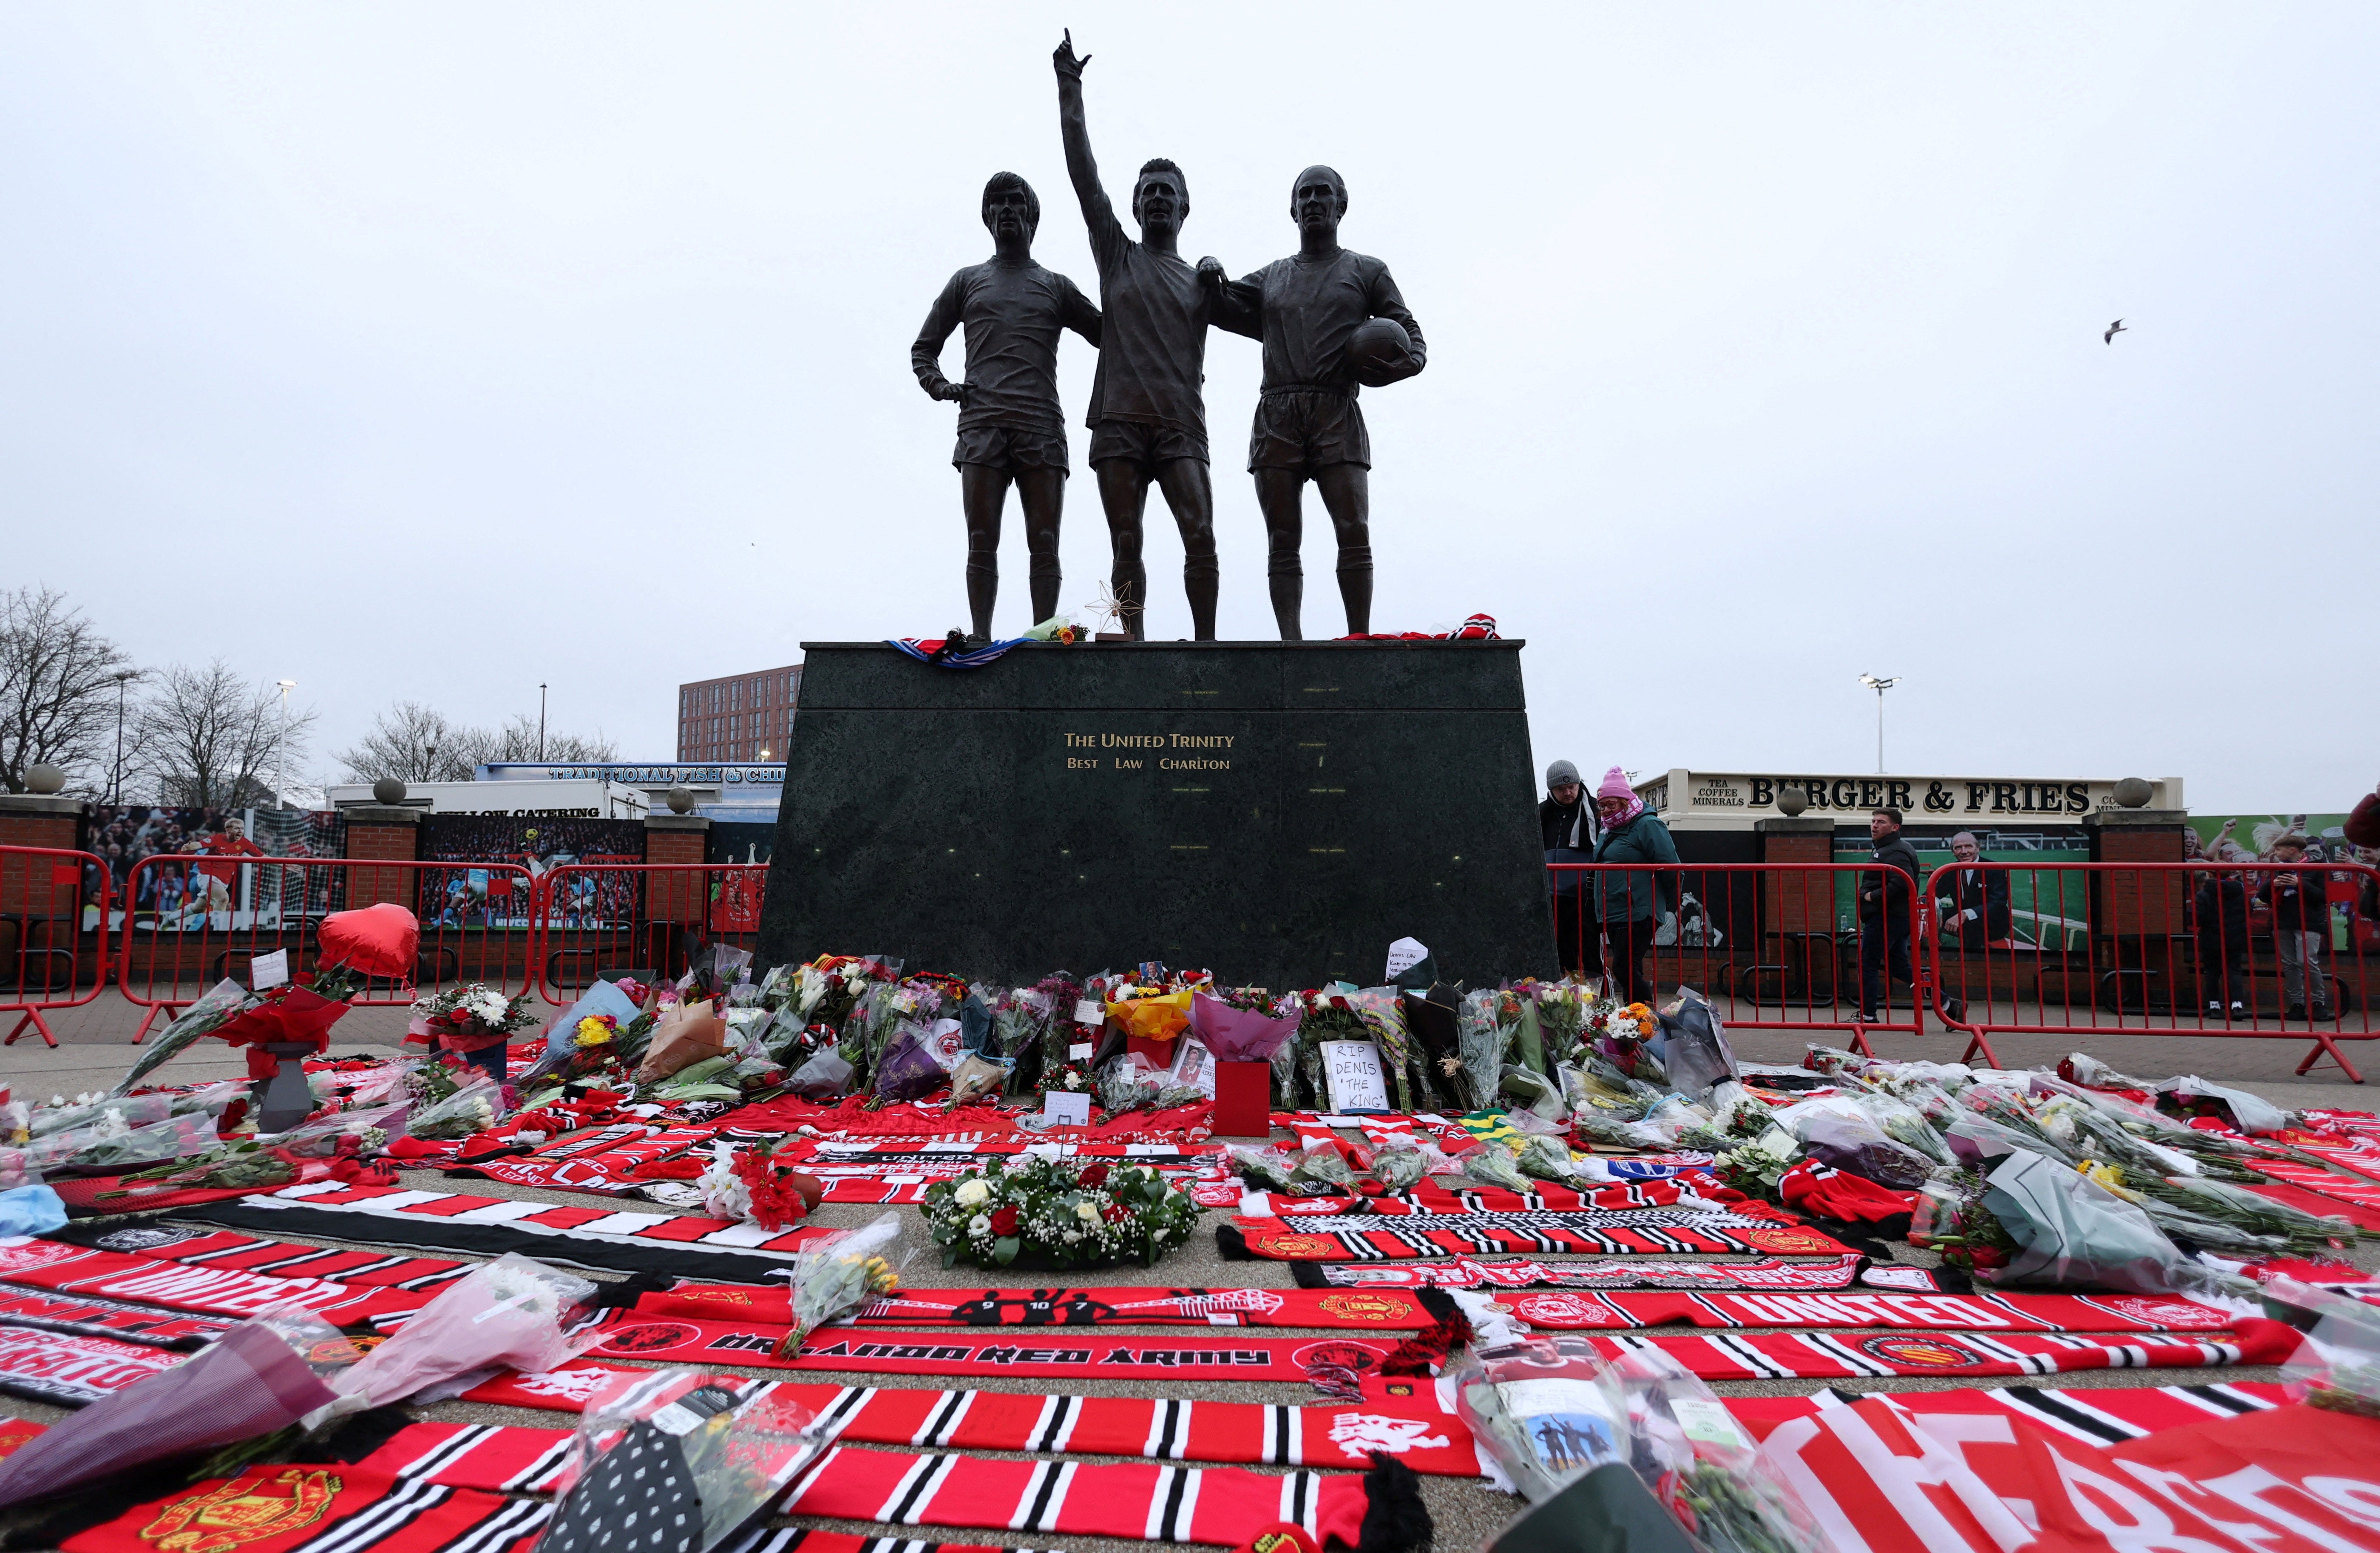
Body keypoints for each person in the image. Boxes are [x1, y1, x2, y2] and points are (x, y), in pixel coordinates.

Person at [1204, 165, 1425, 640]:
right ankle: (1290, 641)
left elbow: (1413, 338)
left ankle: (1358, 635)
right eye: (1303, 195)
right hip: (1277, 413)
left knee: (1353, 528)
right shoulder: (1273, 276)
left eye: (1322, 193)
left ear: (1341, 205)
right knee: (1282, 539)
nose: (1312, 201)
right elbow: (1222, 307)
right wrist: (1209, 273)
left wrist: (1402, 366)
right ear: (1292, 209)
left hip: (1335, 409)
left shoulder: (1367, 270)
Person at [1052, 33, 1220, 640]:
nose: (1156, 199)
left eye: (1166, 193)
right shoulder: (1116, 255)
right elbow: (1082, 175)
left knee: (1199, 533)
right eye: (1147, 191)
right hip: (1119, 419)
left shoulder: (1205, 282)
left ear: (1184, 209)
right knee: (1126, 540)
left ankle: (1205, 644)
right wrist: (1069, 89)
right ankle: (1132, 640)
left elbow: (1273, 316)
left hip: (1179, 422)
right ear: (1133, 205)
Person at [912, 174, 1103, 640]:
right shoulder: (967, 282)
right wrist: (939, 385)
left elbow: (1111, 336)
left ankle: (1043, 632)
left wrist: (1167, 357)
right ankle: (980, 634)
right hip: (981, 426)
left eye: (1015, 202)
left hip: (1040, 426)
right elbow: (924, 348)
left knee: (1044, 542)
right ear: (986, 217)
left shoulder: (1056, 286)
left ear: (1032, 216)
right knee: (982, 540)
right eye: (996, 204)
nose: (1006, 211)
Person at [1589, 768, 1678, 1003]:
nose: (1606, 811)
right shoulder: (1609, 829)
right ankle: (1633, 1024)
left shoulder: (1648, 824)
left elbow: (1671, 866)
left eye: (1611, 804)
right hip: (1616, 910)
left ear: (1626, 802)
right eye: (1602, 805)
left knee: (1625, 967)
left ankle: (1648, 1021)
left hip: (1639, 909)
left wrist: (1670, 904)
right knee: (1629, 967)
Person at [2261, 834, 2335, 1021]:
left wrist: (2300, 883)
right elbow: (2263, 896)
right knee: (2289, 964)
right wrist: (2273, 883)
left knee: (2307, 962)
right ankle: (2297, 1004)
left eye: (2279, 849)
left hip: (2309, 922)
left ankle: (2318, 1003)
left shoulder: (2317, 868)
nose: (2275, 853)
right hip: (2283, 922)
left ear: (2292, 850)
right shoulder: (2279, 869)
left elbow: (2325, 896)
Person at [1858, 808, 1921, 1022]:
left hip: (1887, 917)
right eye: (1874, 821)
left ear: (1895, 827)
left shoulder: (1895, 851)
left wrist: (1871, 897)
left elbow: (1904, 882)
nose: (1875, 825)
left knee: (1869, 963)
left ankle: (1868, 1016)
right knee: (1898, 965)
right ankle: (1948, 1004)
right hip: (1895, 917)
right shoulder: (1889, 848)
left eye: (1881, 822)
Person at [1539, 760, 1594, 976]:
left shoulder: (1596, 810)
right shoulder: (1540, 812)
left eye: (1572, 786)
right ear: (1550, 789)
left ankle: (1601, 1001)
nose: (1568, 792)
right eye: (1561, 789)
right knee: (1561, 954)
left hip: (1585, 896)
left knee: (1590, 954)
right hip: (1551, 896)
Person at [2195, 866, 2250, 1018]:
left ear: (2210, 875)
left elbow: (2198, 919)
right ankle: (2237, 1007)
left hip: (2211, 939)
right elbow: (2247, 913)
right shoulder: (2239, 893)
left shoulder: (2203, 895)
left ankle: (2215, 1007)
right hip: (2235, 938)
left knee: (2212, 972)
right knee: (2234, 971)